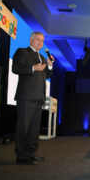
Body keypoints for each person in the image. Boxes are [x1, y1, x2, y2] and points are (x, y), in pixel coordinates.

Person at [12, 32, 54, 165]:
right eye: (38, 40)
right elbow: (16, 68)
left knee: (34, 129)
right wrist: (32, 68)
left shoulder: (41, 56)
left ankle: (30, 154)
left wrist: (50, 65)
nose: (40, 43)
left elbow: (46, 75)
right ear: (31, 40)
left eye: (42, 40)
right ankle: (21, 156)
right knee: (23, 127)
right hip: (27, 96)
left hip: (38, 98)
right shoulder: (23, 52)